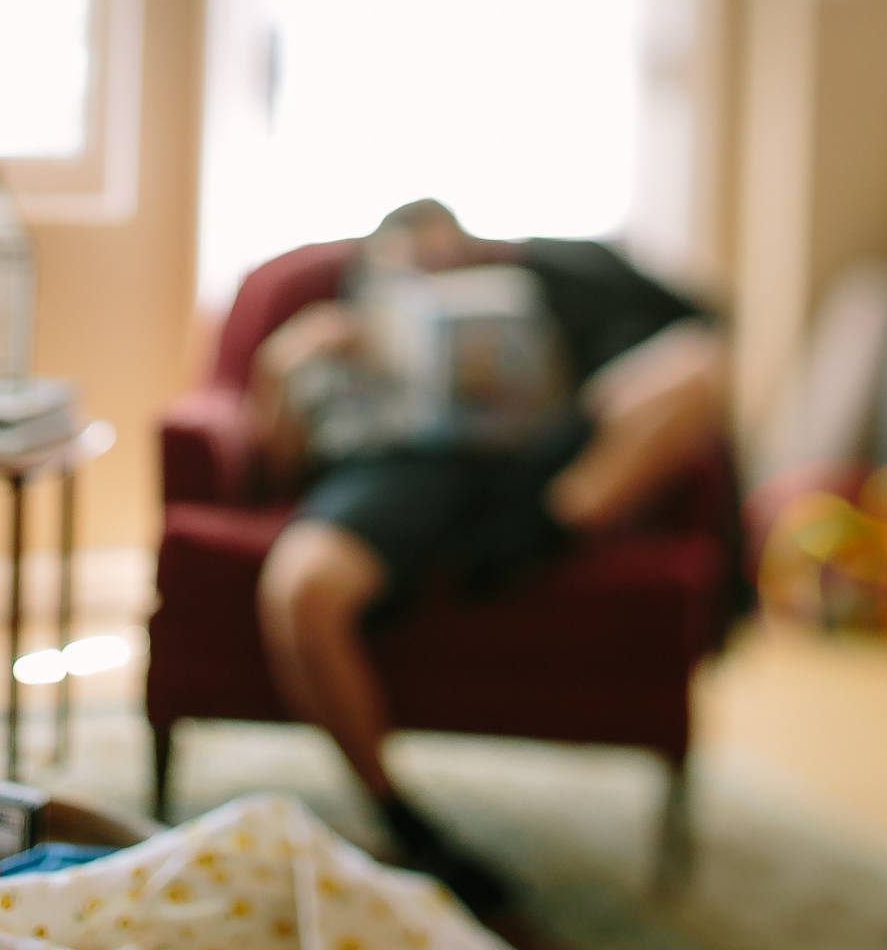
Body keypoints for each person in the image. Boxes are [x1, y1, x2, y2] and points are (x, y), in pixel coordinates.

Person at [246, 200, 729, 913]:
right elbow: (273, 466)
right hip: (394, 472)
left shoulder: (552, 288)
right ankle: (404, 819)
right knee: (298, 590)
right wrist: (281, 365)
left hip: (529, 466)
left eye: (457, 265)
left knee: (699, 366)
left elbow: (695, 337)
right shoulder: (328, 330)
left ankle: (547, 528)